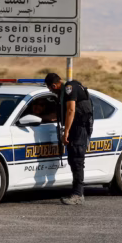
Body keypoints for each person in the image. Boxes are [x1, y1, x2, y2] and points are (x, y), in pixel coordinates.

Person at [45, 72, 93, 205]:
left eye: (50, 88)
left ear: (54, 85)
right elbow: (66, 112)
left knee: (77, 160)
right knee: (73, 159)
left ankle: (78, 194)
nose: (51, 91)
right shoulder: (67, 90)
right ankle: (76, 192)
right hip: (76, 127)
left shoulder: (69, 88)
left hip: (79, 128)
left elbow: (71, 110)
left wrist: (65, 132)